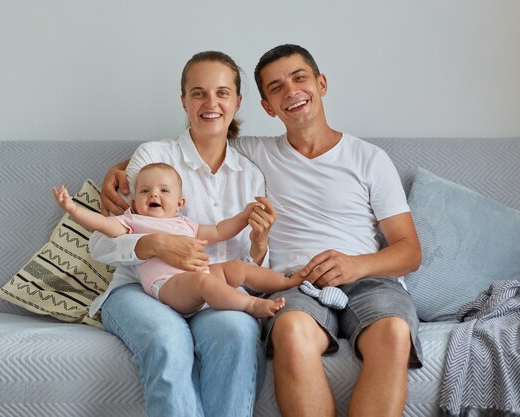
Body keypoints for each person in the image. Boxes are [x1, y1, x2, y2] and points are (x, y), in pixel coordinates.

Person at [101, 44, 424, 417]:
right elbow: (200, 139)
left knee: (390, 333)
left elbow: (410, 252)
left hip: (358, 278)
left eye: (300, 78)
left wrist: (354, 265)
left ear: (321, 84)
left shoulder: (361, 158)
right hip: (285, 281)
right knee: (285, 332)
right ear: (267, 106)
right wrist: (125, 171)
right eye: (276, 88)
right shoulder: (253, 154)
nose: (291, 91)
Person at [88, 51, 278, 417]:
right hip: (140, 290)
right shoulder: (152, 156)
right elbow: (101, 242)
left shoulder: (250, 175)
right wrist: (154, 243)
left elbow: (250, 269)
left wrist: (259, 244)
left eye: (222, 93)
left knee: (238, 333)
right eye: (198, 93)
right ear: (183, 101)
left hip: (210, 292)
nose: (211, 103)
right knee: (167, 338)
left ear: (237, 102)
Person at [54, 162, 299, 318]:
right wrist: (73, 209)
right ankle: (250, 305)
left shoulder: (185, 223)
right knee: (203, 283)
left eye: (164, 190)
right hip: (167, 285)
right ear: (134, 202)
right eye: (145, 190)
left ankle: (289, 281)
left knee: (236, 268)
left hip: (200, 277)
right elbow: (101, 224)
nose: (153, 194)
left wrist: (245, 216)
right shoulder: (132, 221)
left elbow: (220, 230)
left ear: (180, 204)